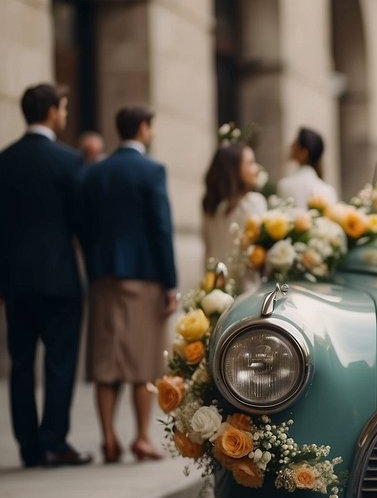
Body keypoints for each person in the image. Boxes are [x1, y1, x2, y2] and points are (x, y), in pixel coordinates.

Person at [78, 105, 178, 464]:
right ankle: (141, 437)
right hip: (145, 276)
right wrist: (170, 283)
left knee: (106, 363)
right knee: (143, 365)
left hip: (104, 275)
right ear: (142, 127)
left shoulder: (95, 172)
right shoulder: (151, 170)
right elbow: (161, 229)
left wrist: (93, 265)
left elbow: (83, 226)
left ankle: (108, 437)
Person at [0, 83, 92, 467]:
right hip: (59, 279)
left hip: (15, 281)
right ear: (52, 112)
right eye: (64, 107)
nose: (66, 114)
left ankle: (28, 447)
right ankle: (53, 441)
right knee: (60, 362)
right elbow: (81, 222)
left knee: (20, 364)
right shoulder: (69, 161)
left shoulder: (4, 161)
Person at [202, 140, 267, 269]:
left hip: (217, 282)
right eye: (251, 163)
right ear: (236, 170)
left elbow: (208, 251)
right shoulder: (253, 201)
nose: (257, 169)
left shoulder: (211, 207)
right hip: (249, 286)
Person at [276, 127, 336, 209]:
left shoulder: (285, 185)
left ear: (304, 152)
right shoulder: (328, 190)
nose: (291, 146)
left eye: (295, 143)